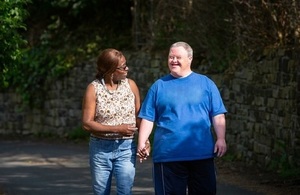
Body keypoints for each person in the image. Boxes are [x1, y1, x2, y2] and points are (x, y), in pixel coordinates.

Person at [137, 42, 227, 195]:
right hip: (168, 155)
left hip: (201, 153)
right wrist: (142, 142)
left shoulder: (206, 84)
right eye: (171, 57)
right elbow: (148, 118)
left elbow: (217, 114)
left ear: (190, 59)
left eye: (178, 57)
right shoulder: (158, 86)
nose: (173, 61)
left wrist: (221, 138)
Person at [82, 48, 149, 195]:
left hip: (126, 148)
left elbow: (139, 116)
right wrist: (117, 129)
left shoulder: (131, 85)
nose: (127, 68)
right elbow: (87, 123)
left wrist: (144, 141)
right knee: (101, 192)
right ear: (111, 70)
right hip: (100, 149)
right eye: (123, 66)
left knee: (125, 191)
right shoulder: (94, 89)